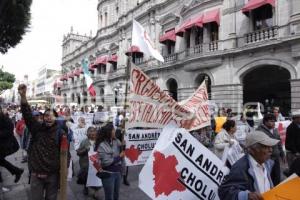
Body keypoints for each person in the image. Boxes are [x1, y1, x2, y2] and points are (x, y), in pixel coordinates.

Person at [18, 84, 69, 200]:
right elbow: (27, 115)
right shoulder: (36, 128)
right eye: (46, 115)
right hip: (37, 174)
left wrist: (64, 174)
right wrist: (23, 96)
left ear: (56, 118)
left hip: (53, 175)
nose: (49, 117)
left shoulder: (61, 133)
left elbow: (66, 155)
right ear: (43, 117)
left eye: (52, 116)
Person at [218, 130, 279, 200]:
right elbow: (224, 192)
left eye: (270, 146)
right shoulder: (240, 167)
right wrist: (246, 196)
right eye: (265, 147)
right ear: (252, 150)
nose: (270, 150)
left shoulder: (267, 163)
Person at [95, 123, 125, 200]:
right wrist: (119, 157)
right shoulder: (102, 145)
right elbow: (106, 162)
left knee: (116, 195)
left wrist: (123, 144)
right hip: (108, 175)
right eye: (113, 129)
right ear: (109, 132)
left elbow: (122, 149)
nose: (115, 131)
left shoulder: (116, 141)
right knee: (109, 197)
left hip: (118, 172)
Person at [257, 113, 285, 186]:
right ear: (265, 122)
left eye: (274, 121)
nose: (273, 123)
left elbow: (279, 142)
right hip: (266, 159)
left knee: (277, 177)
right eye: (271, 121)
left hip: (276, 157)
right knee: (268, 178)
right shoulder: (259, 131)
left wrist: (282, 154)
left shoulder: (275, 130)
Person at [0, 107, 24, 183]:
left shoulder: (4, 118)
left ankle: (17, 171)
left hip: (8, 145)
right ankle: (17, 171)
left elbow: (9, 130)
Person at [76, 127, 100, 198]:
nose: (92, 133)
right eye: (90, 132)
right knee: (86, 177)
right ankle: (85, 187)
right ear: (87, 134)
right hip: (86, 165)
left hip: (96, 165)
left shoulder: (99, 141)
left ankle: (96, 191)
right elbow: (78, 153)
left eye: (94, 131)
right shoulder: (84, 142)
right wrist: (85, 149)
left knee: (97, 178)